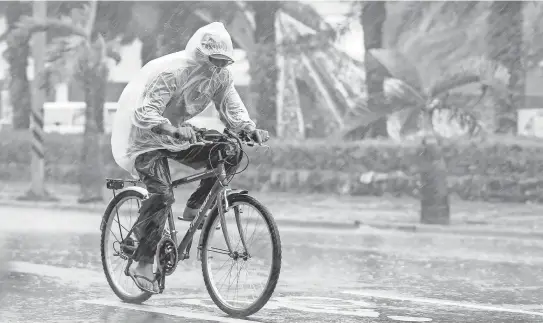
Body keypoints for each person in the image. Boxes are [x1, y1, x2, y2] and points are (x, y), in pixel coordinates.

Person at [110, 22, 269, 292]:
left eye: (222, 62)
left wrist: (249, 130)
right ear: (199, 55)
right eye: (212, 61)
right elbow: (145, 113)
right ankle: (143, 262)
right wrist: (172, 129)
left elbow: (234, 108)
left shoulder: (221, 77)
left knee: (229, 151)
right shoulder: (173, 73)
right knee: (162, 194)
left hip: (180, 136)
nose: (216, 67)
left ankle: (195, 206)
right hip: (146, 139)